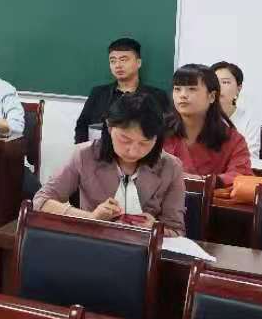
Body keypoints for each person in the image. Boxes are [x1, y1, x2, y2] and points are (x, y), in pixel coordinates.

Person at [36, 91, 185, 234]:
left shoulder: (171, 167)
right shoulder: (84, 156)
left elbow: (176, 230)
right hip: (96, 243)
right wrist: (91, 217)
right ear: (109, 127)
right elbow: (41, 201)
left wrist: (155, 228)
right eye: (125, 140)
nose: (133, 151)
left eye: (144, 143)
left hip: (145, 247)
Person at [163, 64, 253, 190]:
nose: (182, 95)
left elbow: (241, 176)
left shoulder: (233, 140)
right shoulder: (159, 132)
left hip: (210, 201)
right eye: (177, 89)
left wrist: (202, 181)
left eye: (192, 89)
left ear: (211, 96)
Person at [73, 37, 173, 144]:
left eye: (123, 60)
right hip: (100, 152)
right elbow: (82, 126)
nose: (118, 65)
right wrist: (85, 150)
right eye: (113, 61)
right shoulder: (98, 93)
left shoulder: (156, 96)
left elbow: (164, 132)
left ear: (138, 63)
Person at [210, 60, 262, 162]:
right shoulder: (200, 117)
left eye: (225, 82)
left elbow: (250, 158)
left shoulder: (249, 120)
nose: (219, 87)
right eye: (215, 82)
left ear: (238, 88)